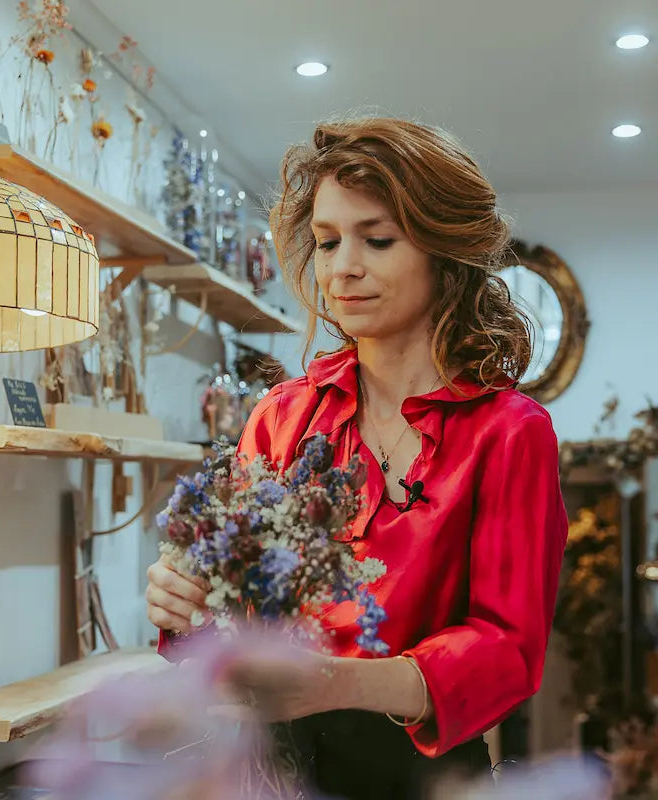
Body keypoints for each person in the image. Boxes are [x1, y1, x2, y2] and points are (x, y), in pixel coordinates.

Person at [146, 117, 569, 799]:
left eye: (377, 239)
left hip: (422, 779)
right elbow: (226, 621)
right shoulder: (282, 417)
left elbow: (508, 649)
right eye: (326, 241)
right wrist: (186, 605)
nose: (343, 267)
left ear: (443, 251)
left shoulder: (509, 432)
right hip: (269, 774)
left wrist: (341, 684)